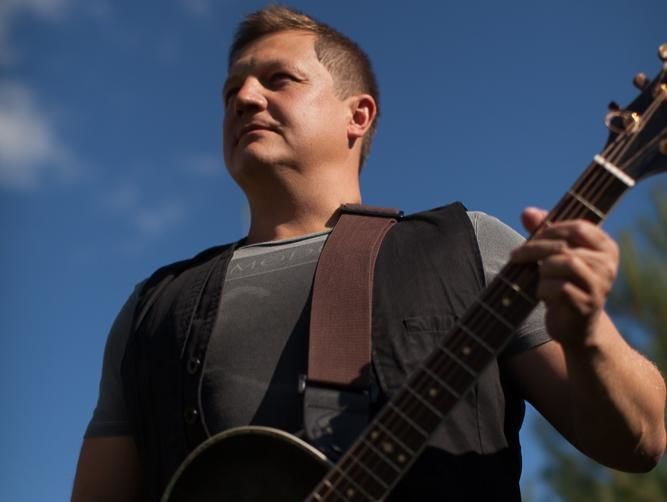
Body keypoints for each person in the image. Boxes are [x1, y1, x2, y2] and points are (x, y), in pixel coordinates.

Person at [71, 5, 666, 501]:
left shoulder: (472, 246)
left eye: (278, 79)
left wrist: (589, 335)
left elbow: (641, 440)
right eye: (231, 90)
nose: (245, 97)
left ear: (357, 116)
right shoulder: (152, 308)